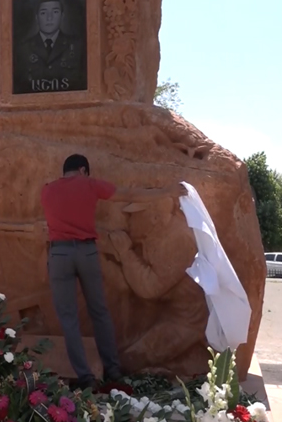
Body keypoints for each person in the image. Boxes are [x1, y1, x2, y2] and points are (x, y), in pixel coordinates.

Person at [40, 154, 186, 389]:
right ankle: (113, 368)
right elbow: (128, 195)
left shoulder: (47, 191)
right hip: (87, 253)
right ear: (83, 170)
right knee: (100, 312)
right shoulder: (90, 185)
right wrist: (167, 191)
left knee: (69, 319)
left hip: (59, 255)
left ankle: (85, 376)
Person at [13, 0, 87, 94]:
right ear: (37, 17)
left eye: (55, 12)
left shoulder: (77, 46)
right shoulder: (23, 48)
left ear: (62, 16)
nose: (49, 18)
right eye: (43, 13)